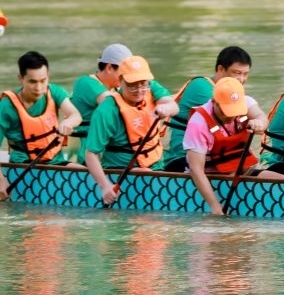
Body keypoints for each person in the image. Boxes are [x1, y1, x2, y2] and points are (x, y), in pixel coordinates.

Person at [84, 56, 179, 205]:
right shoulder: (106, 111)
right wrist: (105, 186)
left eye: (143, 84)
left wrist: (166, 108)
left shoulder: (151, 88)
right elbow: (91, 154)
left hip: (156, 166)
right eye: (132, 86)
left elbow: (174, 106)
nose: (139, 90)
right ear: (120, 81)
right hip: (120, 172)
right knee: (148, 176)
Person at [69, 44, 175, 163]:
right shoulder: (86, 83)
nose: (129, 76)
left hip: (121, 144)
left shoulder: (118, 87)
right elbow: (116, 105)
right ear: (109, 68)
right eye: (124, 70)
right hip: (92, 150)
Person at [0, 51, 83, 200]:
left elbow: (75, 115)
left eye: (43, 81)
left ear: (48, 77)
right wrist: (1, 180)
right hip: (23, 166)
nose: (39, 88)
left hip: (56, 162)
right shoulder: (6, 106)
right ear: (21, 79)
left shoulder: (54, 91)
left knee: (89, 176)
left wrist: (68, 122)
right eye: (32, 82)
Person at [164, 46, 257, 173]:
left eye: (245, 74)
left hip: (216, 157)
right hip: (182, 159)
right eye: (237, 73)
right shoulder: (202, 86)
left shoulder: (230, 94)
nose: (241, 79)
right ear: (220, 69)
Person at [185, 77, 268, 215]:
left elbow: (261, 117)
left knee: (281, 180)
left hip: (242, 170)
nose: (231, 116)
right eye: (226, 111)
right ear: (214, 102)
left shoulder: (247, 103)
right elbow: (196, 170)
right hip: (210, 176)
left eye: (235, 110)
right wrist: (215, 206)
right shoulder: (198, 123)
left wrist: (260, 123)